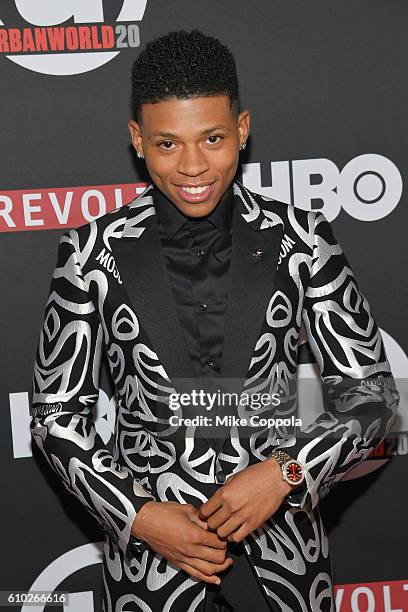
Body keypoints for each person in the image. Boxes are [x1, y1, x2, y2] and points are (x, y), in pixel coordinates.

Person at [30, 29, 399, 612]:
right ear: (138, 141)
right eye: (168, 144)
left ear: (243, 129)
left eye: (213, 138)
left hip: (286, 563)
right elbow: (55, 417)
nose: (193, 165)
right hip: (149, 571)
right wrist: (140, 516)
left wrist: (287, 473)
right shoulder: (89, 251)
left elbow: (372, 394)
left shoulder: (302, 237)